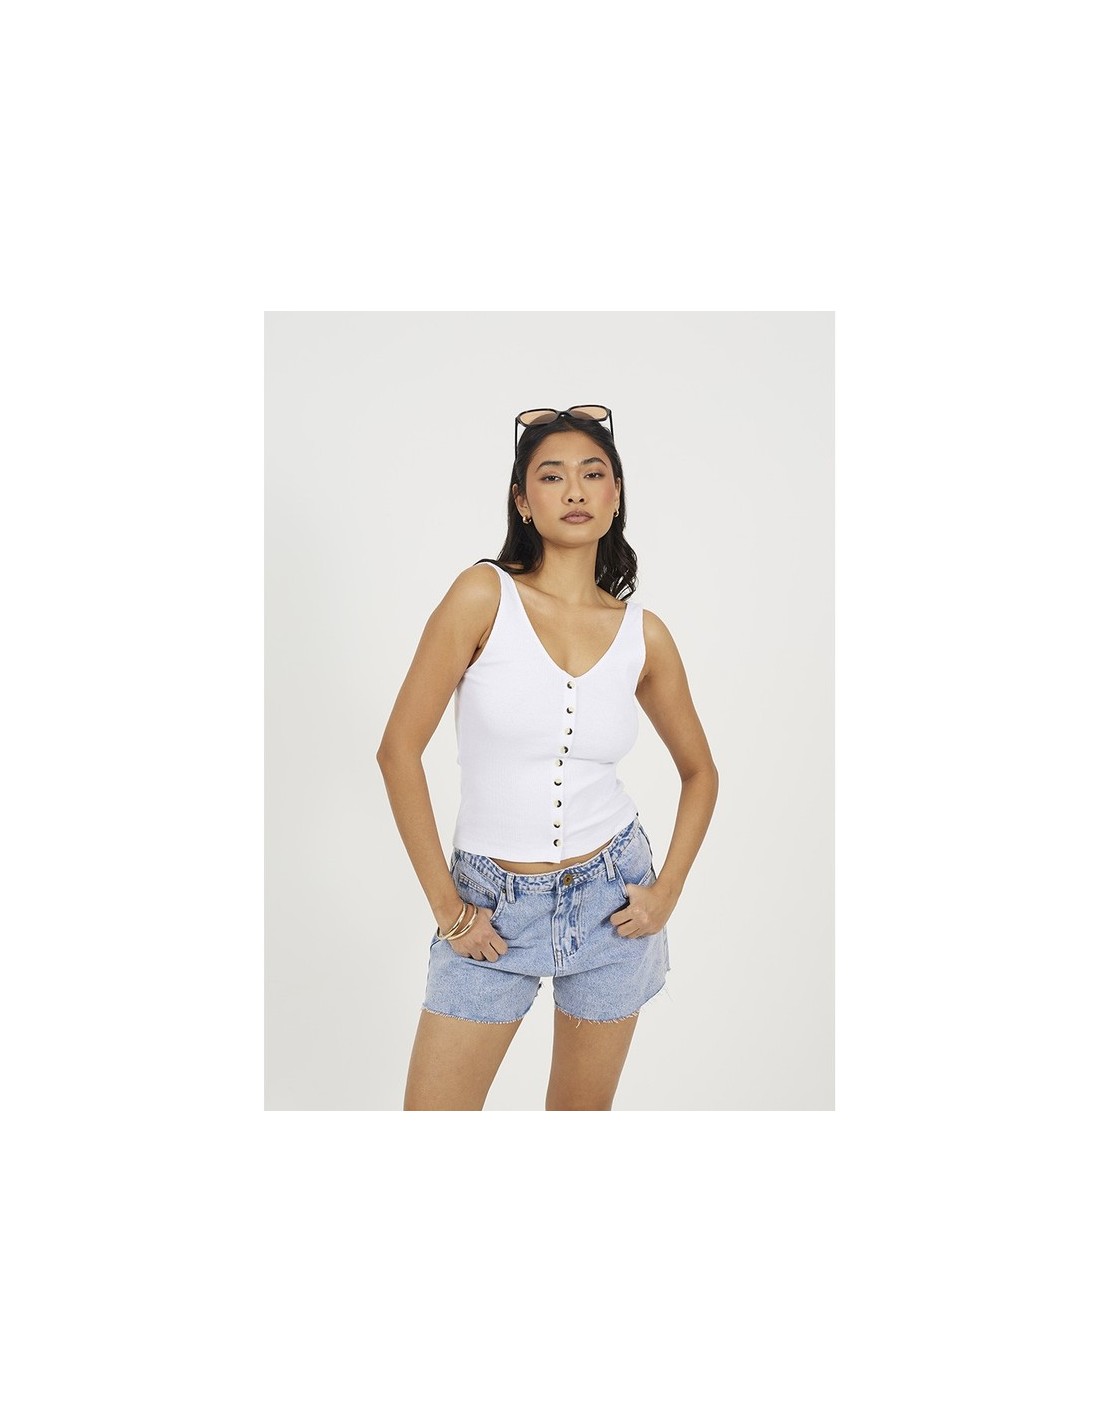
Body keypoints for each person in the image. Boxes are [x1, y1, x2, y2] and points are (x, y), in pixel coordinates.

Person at [376, 405, 719, 1110]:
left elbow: (700, 773)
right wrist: (450, 910)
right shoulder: (482, 596)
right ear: (522, 500)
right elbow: (398, 751)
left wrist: (667, 891)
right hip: (489, 908)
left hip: (611, 902)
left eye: (593, 474)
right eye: (552, 476)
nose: (575, 490)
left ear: (616, 495)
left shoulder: (643, 634)